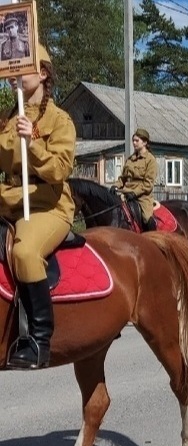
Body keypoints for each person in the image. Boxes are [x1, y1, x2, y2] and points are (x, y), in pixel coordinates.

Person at [0, 45, 75, 369]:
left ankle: (38, 340)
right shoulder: (7, 120)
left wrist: (32, 144)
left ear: (43, 73)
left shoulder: (60, 120)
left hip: (48, 204)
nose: (13, 75)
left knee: (25, 252)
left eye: (22, 69)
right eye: (10, 70)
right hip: (8, 201)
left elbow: (60, 170)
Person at [111, 128, 158, 231]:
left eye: (137, 140)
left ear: (145, 142)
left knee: (147, 218)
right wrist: (116, 185)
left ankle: (153, 239)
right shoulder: (130, 159)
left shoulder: (150, 160)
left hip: (142, 197)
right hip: (125, 193)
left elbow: (148, 184)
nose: (134, 143)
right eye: (133, 140)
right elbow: (123, 178)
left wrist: (134, 193)